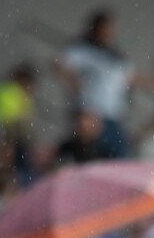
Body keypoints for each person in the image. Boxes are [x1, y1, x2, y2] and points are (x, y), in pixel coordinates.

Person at [53, 9, 135, 159]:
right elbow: (59, 64)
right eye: (106, 29)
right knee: (91, 155)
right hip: (92, 113)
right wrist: (74, 84)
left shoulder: (115, 56)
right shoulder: (83, 51)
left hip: (113, 115)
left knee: (119, 155)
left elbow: (130, 77)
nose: (109, 33)